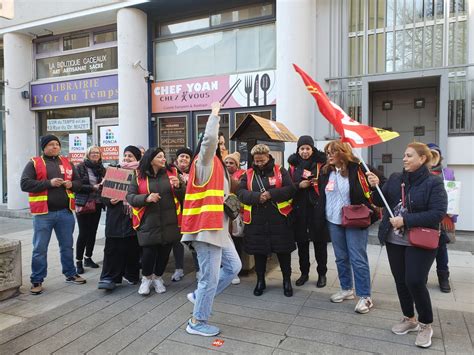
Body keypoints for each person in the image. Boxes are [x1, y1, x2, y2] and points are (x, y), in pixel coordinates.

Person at [367, 142, 447, 348]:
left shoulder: (433, 182)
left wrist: (406, 220)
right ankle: (409, 319)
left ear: (422, 159)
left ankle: (426, 324)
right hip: (395, 239)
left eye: (409, 155)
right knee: (401, 280)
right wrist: (373, 185)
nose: (404, 159)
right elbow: (379, 201)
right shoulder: (395, 178)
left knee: (415, 280)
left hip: (420, 239)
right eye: (404, 155)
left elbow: (437, 214)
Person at [181, 102, 241, 337]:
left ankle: (199, 299)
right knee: (209, 279)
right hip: (205, 231)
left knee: (234, 267)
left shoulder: (218, 167)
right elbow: (208, 141)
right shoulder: (203, 162)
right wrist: (214, 114)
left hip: (219, 230)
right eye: (221, 143)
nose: (223, 147)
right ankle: (197, 321)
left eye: (224, 144)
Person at [319, 140, 381, 314]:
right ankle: (346, 289)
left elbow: (382, 184)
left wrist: (376, 181)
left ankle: (365, 296)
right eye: (327, 153)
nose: (329, 156)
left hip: (355, 220)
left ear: (343, 152)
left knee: (357, 258)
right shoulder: (325, 171)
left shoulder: (359, 167)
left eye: (332, 152)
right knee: (340, 257)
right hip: (333, 220)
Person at [20, 134, 86, 295]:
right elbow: (25, 184)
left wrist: (72, 184)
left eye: (57, 144)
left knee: (66, 246)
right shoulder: (34, 163)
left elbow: (78, 183)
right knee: (40, 248)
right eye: (50, 144)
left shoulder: (67, 162)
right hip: (43, 214)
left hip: (65, 213)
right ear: (44, 147)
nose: (55, 146)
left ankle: (70, 273)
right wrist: (48, 183)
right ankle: (37, 279)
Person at [238, 144, 296, 297]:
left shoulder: (280, 171)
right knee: (259, 252)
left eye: (261, 160)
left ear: (268, 157)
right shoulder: (248, 174)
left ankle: (286, 281)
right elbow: (241, 193)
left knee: (283, 252)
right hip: (257, 221)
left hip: (279, 219)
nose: (259, 163)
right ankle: (260, 281)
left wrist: (271, 194)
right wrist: (257, 197)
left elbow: (290, 190)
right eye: (256, 161)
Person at [126, 147, 185, 295]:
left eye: (164, 156)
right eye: (160, 157)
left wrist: (179, 186)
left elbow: (184, 196)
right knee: (148, 253)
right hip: (148, 221)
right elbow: (130, 197)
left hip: (170, 221)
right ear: (150, 159)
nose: (164, 159)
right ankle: (146, 279)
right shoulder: (138, 175)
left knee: (165, 252)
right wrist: (146, 198)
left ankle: (158, 277)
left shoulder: (173, 172)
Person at [98, 146, 142, 290]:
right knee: (112, 248)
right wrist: (109, 201)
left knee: (132, 248)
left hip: (132, 217)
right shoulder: (114, 171)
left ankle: (131, 275)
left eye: (131, 156)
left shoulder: (140, 174)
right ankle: (109, 277)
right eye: (125, 155)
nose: (127, 158)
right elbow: (103, 195)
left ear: (137, 158)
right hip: (115, 217)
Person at [288, 135, 329, 288]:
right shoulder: (292, 165)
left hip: (317, 209)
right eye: (302, 149)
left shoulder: (321, 164)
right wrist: (300, 185)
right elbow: (288, 186)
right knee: (302, 244)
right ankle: (304, 273)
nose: (305, 151)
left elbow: (329, 184)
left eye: (307, 148)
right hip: (299, 210)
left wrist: (318, 183)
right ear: (298, 150)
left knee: (320, 244)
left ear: (312, 149)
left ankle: (322, 274)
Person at [427, 143, 457, 293]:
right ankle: (421, 277)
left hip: (443, 219)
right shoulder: (421, 173)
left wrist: (453, 219)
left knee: (442, 250)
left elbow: (454, 196)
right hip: (426, 218)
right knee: (423, 249)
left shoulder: (448, 173)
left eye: (435, 154)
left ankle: (443, 278)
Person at [74, 146, 106, 274]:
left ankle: (88, 257)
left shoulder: (101, 169)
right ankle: (78, 261)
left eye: (97, 153)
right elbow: (77, 185)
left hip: (97, 203)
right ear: (87, 154)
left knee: (93, 231)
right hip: (84, 203)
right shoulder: (80, 167)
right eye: (92, 152)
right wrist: (93, 187)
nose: (95, 154)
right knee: (83, 233)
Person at [170, 147, 194, 282]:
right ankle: (178, 269)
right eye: (181, 156)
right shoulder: (170, 172)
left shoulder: (194, 173)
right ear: (177, 159)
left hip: (191, 212)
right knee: (176, 241)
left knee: (195, 242)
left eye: (186, 157)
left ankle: (199, 270)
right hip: (175, 212)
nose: (184, 159)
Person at [224, 151, 246, 285]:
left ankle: (235, 271)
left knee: (236, 241)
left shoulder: (242, 175)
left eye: (231, 163)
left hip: (236, 213)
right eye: (226, 163)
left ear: (237, 165)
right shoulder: (221, 175)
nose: (228, 165)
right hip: (223, 214)